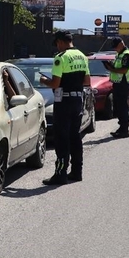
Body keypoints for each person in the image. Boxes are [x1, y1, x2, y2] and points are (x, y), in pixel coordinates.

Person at [39, 30, 90, 185]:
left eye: (57, 44)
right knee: (75, 137)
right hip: (77, 101)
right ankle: (76, 172)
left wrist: (43, 81)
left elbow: (55, 84)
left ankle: (60, 174)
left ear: (60, 42)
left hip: (64, 103)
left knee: (62, 139)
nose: (57, 47)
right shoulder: (82, 56)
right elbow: (87, 81)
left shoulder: (60, 58)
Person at [103, 37, 129, 138]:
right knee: (119, 107)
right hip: (117, 83)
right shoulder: (119, 54)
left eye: (116, 47)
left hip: (123, 83)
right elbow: (117, 67)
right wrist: (110, 65)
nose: (115, 49)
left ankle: (124, 130)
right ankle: (121, 128)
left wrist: (111, 68)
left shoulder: (127, 55)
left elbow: (124, 70)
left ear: (121, 44)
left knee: (123, 107)